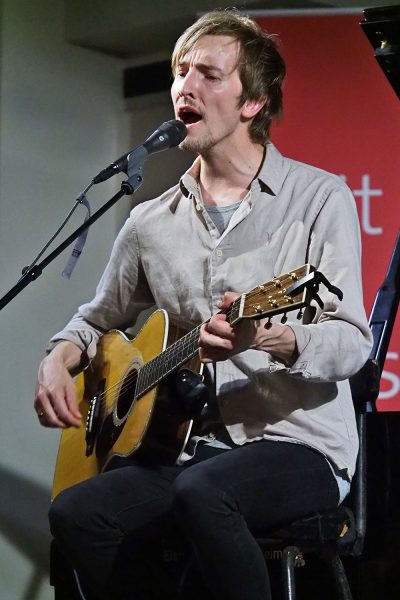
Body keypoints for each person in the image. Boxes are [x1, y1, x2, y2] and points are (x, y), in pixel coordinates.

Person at [35, 9, 373, 600]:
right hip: (188, 449)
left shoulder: (319, 198)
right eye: (180, 72)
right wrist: (58, 357)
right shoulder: (149, 222)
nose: (184, 87)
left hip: (300, 446)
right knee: (75, 512)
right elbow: (94, 319)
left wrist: (267, 337)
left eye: (209, 75)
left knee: (205, 494)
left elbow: (351, 341)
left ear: (252, 103)